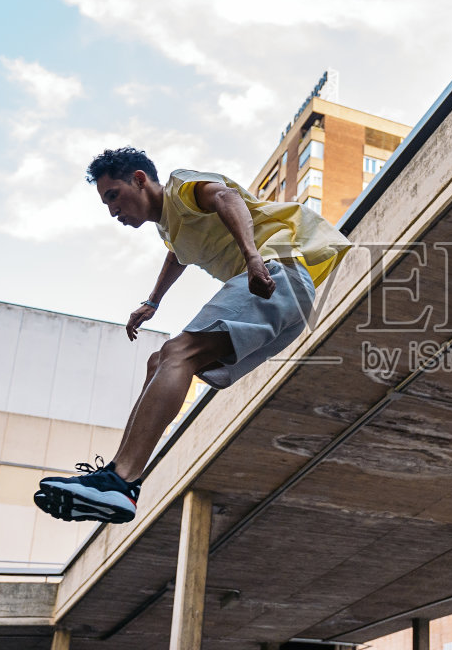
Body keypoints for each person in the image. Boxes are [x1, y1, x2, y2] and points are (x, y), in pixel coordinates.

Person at [34, 146, 350, 523]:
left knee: (176, 354)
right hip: (282, 293)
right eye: (106, 204)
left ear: (139, 179)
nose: (112, 211)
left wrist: (252, 257)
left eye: (113, 196)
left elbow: (227, 197)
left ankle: (121, 480)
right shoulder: (171, 226)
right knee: (161, 361)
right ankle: (120, 480)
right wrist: (152, 302)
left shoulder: (180, 185)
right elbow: (177, 254)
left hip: (275, 271)